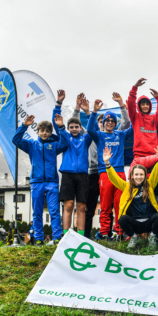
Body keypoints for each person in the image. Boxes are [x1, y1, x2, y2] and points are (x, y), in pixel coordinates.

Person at [76, 91, 131, 239]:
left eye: (112, 121)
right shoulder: (99, 136)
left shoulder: (120, 134)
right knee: (105, 205)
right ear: (104, 122)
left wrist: (123, 106)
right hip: (105, 173)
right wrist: (93, 111)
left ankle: (119, 232)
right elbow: (90, 129)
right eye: (107, 121)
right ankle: (105, 232)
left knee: (119, 204)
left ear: (115, 123)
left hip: (119, 172)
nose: (110, 123)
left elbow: (131, 125)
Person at [12, 114, 68, 246]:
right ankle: (38, 238)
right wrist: (24, 126)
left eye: (47, 131)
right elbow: (16, 140)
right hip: (36, 182)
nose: (44, 133)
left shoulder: (54, 145)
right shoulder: (31, 144)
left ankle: (57, 237)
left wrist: (61, 127)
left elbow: (65, 144)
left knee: (54, 211)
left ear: (50, 133)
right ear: (37, 132)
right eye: (42, 130)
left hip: (52, 182)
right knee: (37, 212)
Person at [104, 146, 158, 249]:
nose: (139, 177)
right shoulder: (126, 186)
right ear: (131, 176)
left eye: (141, 174)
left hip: (149, 222)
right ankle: (133, 237)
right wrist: (107, 163)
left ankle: (152, 237)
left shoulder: (150, 184)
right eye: (136, 174)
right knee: (122, 219)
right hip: (135, 223)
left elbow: (156, 173)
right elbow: (114, 178)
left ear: (145, 176)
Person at [52, 90, 93, 237]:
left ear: (81, 128)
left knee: (81, 206)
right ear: (68, 129)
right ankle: (66, 235)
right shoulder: (65, 137)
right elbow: (56, 122)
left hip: (82, 175)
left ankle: (80, 236)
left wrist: (88, 112)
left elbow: (93, 128)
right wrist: (58, 103)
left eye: (77, 127)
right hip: (68, 175)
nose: (74, 129)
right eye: (72, 127)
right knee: (68, 205)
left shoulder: (86, 139)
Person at [127, 78, 158, 169]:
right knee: (137, 177)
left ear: (150, 106)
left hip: (154, 155)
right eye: (143, 104)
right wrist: (135, 87)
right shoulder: (135, 117)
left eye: (147, 104)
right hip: (139, 155)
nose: (145, 106)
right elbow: (131, 104)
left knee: (154, 178)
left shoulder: (154, 118)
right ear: (139, 106)